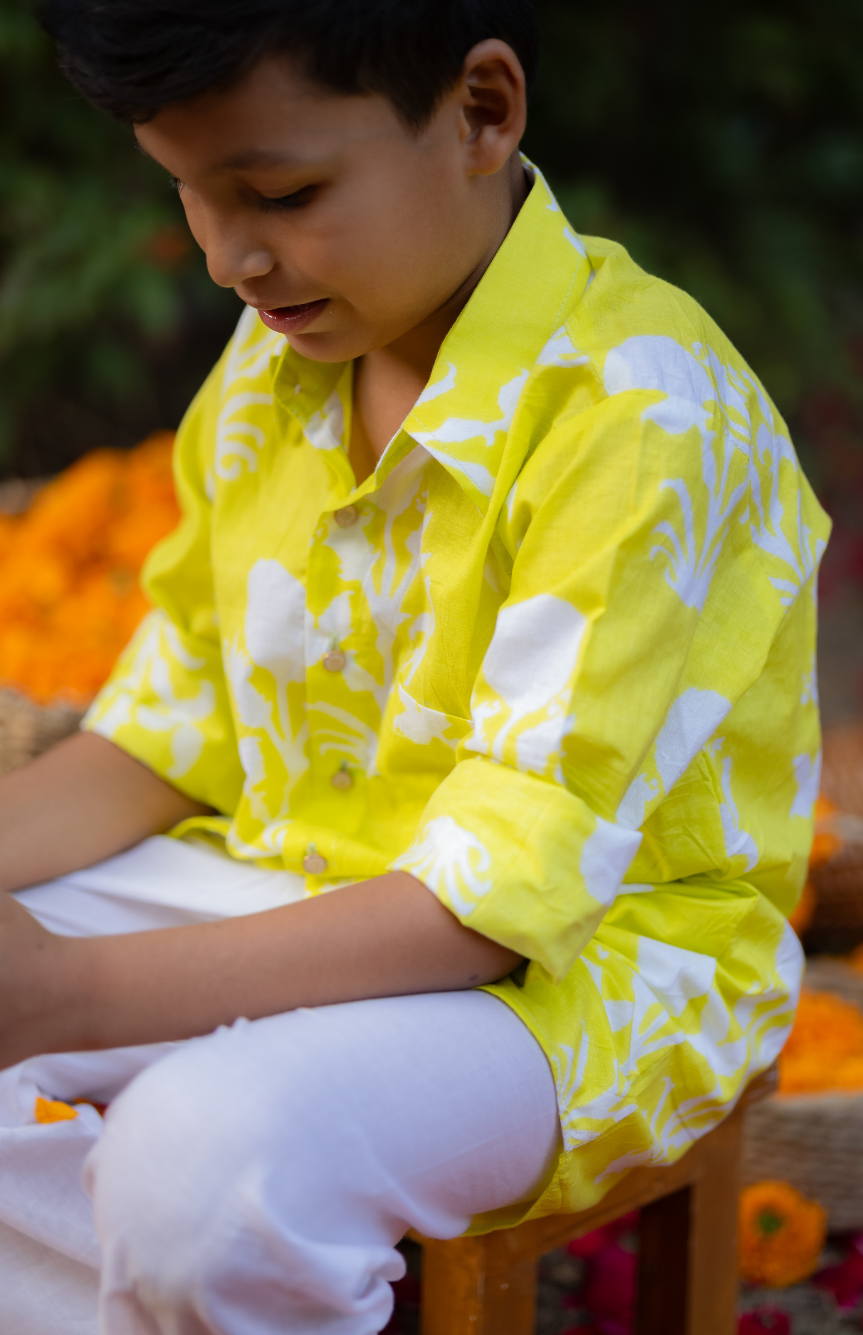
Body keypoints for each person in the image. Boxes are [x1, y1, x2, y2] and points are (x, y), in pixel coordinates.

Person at [0, 1, 829, 1331]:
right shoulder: (274, 367)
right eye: (189, 198)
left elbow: (486, 908)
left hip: (577, 977)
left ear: (482, 113)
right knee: (175, 1202)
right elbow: (167, 731)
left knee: (205, 1170)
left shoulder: (641, 412)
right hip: (279, 873)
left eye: (280, 190)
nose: (231, 258)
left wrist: (68, 991)